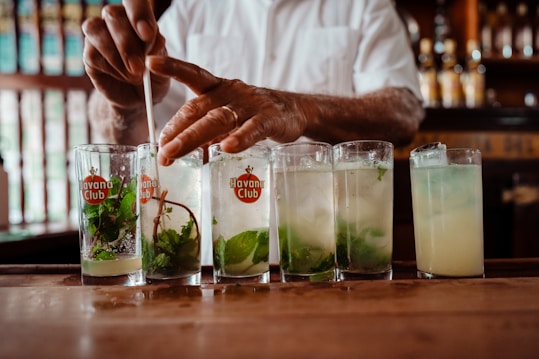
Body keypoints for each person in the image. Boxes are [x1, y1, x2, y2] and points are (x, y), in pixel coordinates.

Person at [82, 0, 425, 264]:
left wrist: (302, 107)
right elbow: (140, 140)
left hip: (334, 266)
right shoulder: (191, 11)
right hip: (210, 270)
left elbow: (403, 111)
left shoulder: (364, 6)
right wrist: (124, 108)